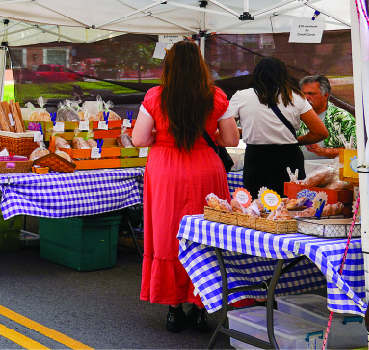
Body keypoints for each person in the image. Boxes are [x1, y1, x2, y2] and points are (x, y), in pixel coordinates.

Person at [132, 40, 239, 334]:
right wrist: (206, 133)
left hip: (166, 170)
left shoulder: (155, 96)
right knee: (206, 234)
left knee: (169, 234)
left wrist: (160, 134)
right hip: (205, 168)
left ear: (169, 66)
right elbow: (230, 139)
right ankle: (201, 306)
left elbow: (139, 139)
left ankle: (174, 309)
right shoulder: (216, 96)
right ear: (200, 65)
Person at [228, 57, 328, 198]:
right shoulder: (295, 97)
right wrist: (295, 141)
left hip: (257, 160)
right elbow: (320, 132)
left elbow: (227, 130)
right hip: (289, 158)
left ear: (256, 74)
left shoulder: (241, 97)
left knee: (258, 206)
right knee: (292, 204)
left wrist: (253, 131)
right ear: (283, 75)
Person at [297, 74, 357, 159]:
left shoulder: (343, 118)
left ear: (325, 96)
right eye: (303, 94)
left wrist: (323, 151)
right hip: (298, 170)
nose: (306, 97)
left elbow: (355, 150)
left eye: (311, 94)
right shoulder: (296, 116)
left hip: (331, 170)